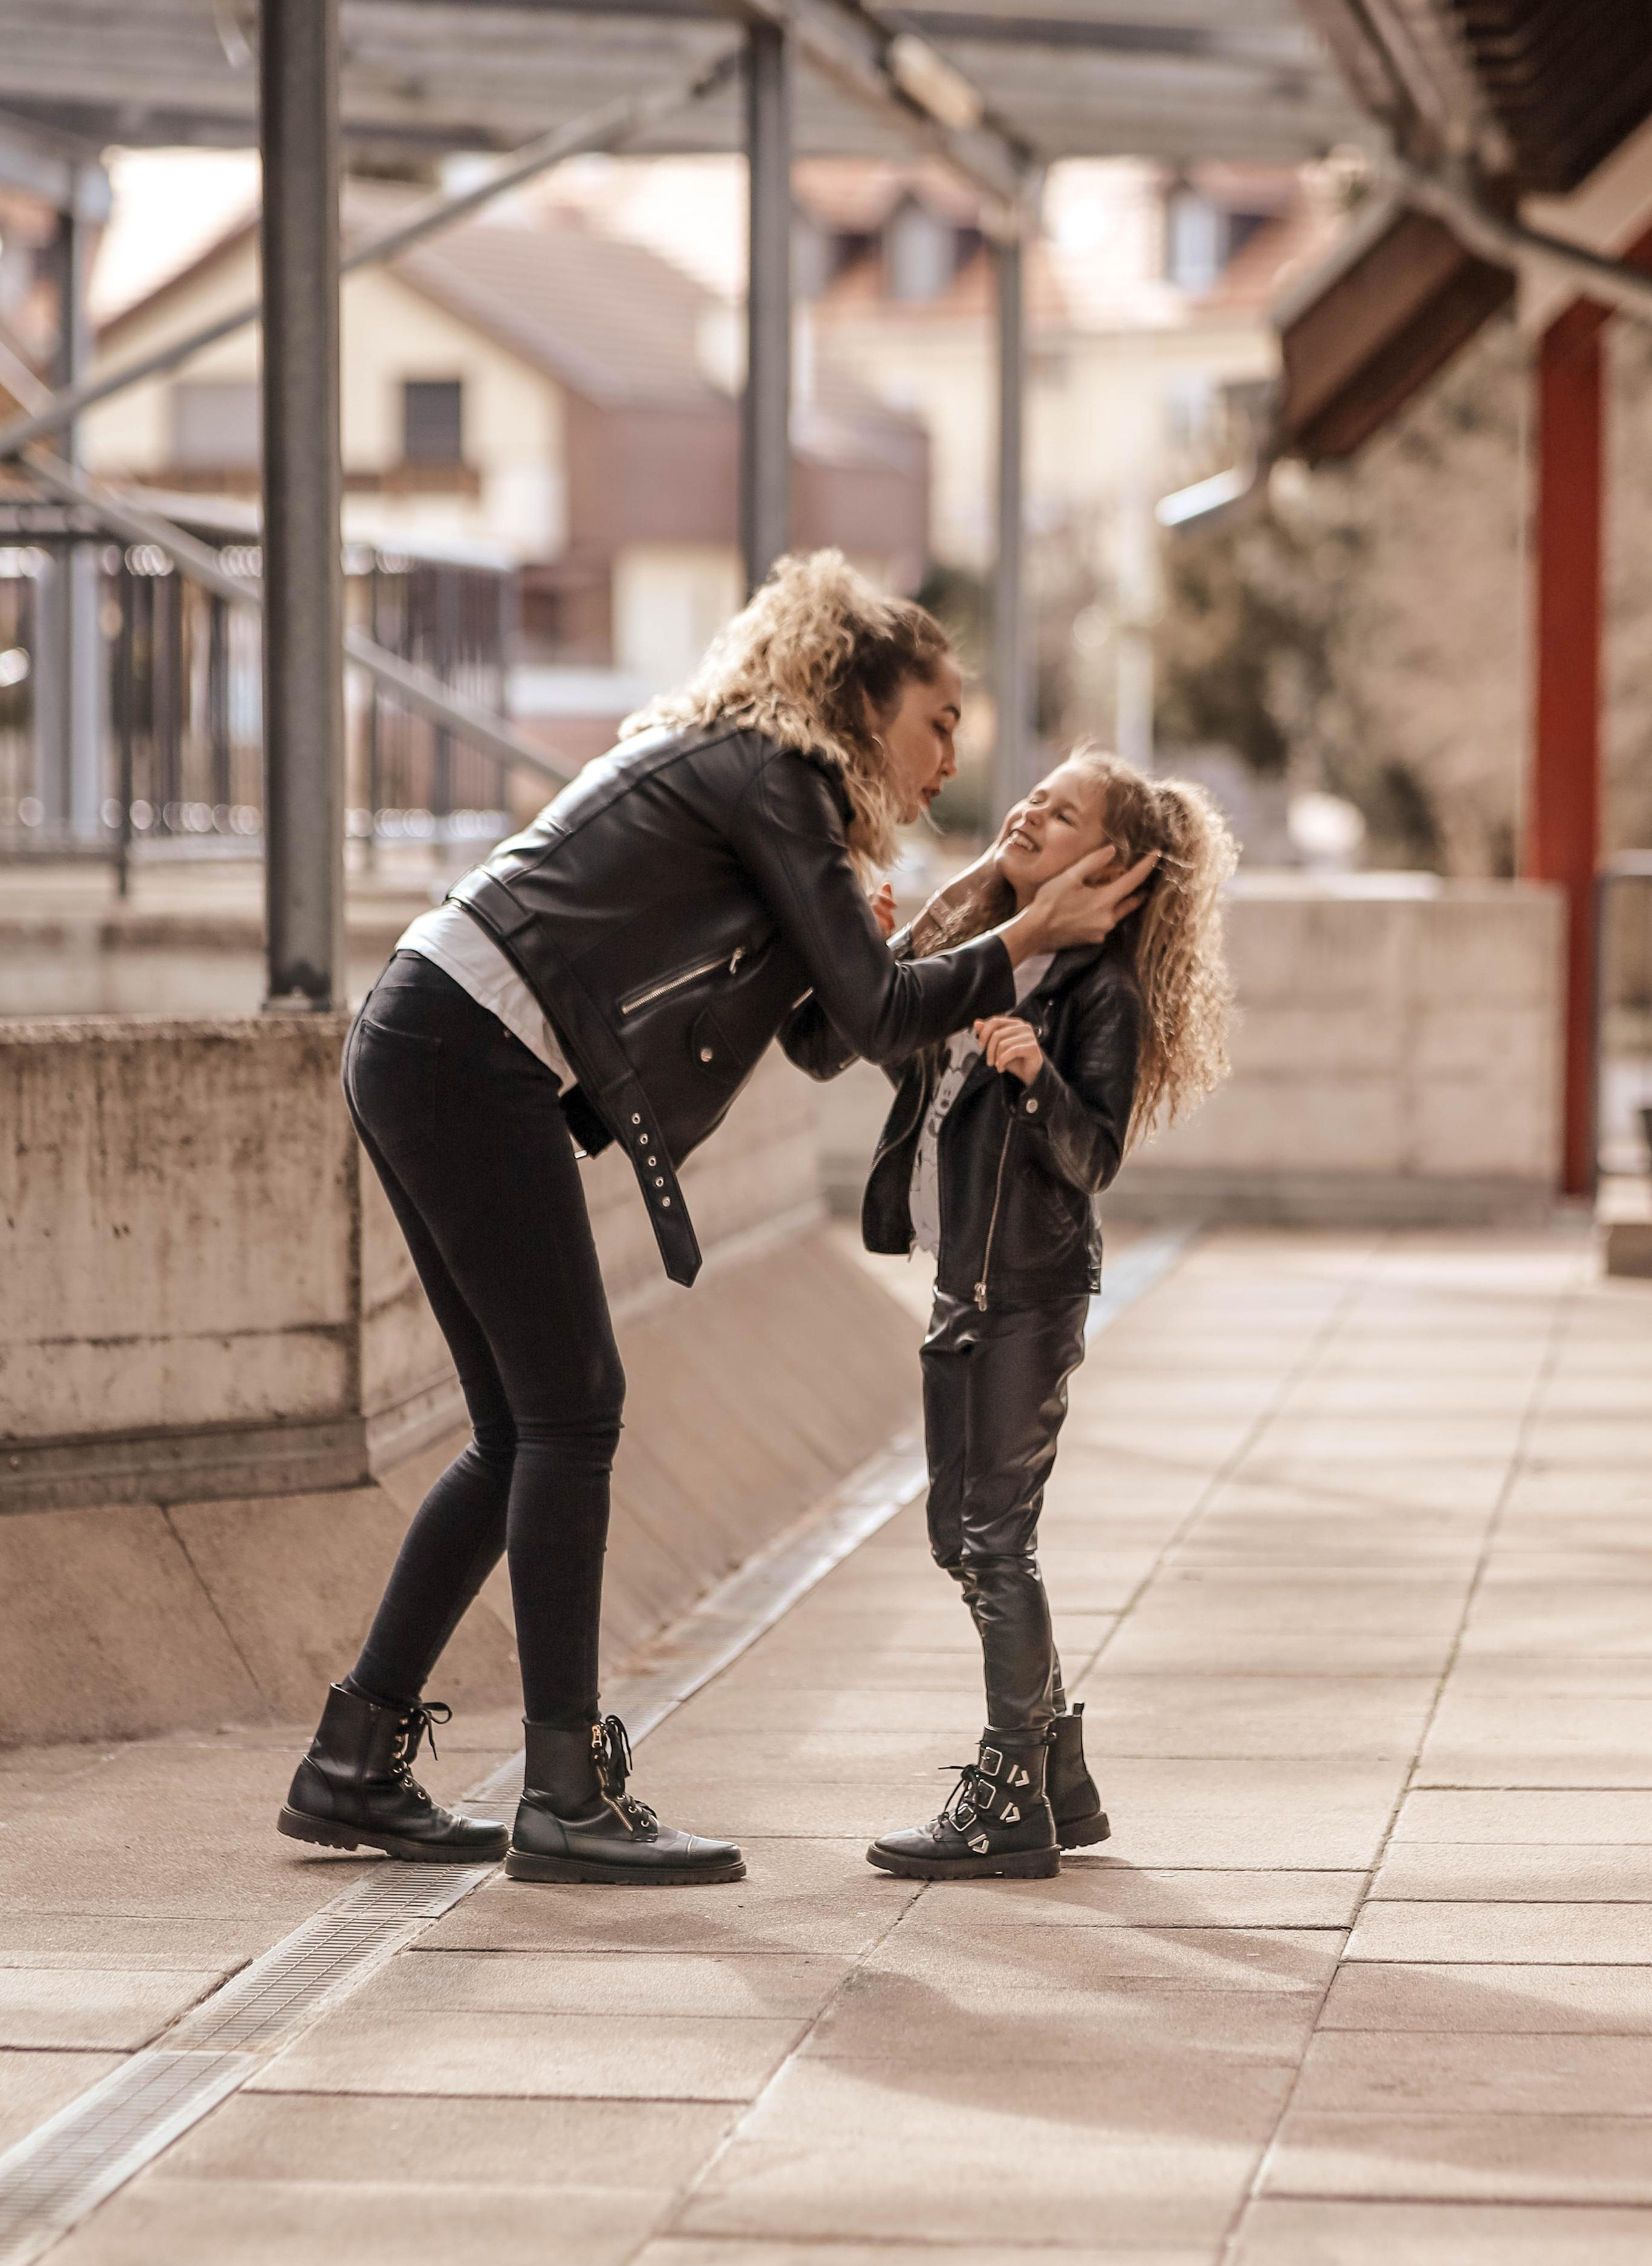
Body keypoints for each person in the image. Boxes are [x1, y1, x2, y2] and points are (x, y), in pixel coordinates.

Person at [278, 558, 1155, 1888]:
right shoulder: (773, 780)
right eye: (938, 722)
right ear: (864, 701)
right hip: (462, 1049)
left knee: (522, 1426)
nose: (949, 759)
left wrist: (978, 902)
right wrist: (1023, 928)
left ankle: (356, 1758)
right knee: (569, 1413)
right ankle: (563, 1786)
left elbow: (818, 1037)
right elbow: (873, 1018)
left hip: (433, 1034)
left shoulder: (765, 787)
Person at [785, 743, 1236, 1880]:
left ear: (1116, 868)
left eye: (1065, 810)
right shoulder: (985, 953)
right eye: (1037, 793)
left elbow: (1095, 1159)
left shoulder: (1102, 993)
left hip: (1029, 1292)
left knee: (993, 1541)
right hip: (961, 1282)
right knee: (963, 1537)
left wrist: (1037, 1077)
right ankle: (1058, 1777)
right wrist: (897, 931)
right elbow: (822, 1046)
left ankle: (1009, 1786)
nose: (1031, 807)